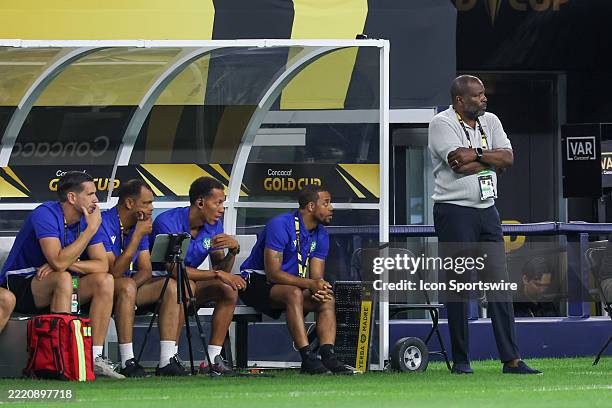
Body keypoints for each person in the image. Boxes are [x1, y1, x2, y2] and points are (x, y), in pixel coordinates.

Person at [428, 75, 540, 374]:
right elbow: (456, 164)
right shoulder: (442, 123)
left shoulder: (491, 121)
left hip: (487, 209)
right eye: (477, 96)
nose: (483, 99)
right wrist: (493, 161)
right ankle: (462, 361)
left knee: (499, 285)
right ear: (460, 101)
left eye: (483, 94)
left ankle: (511, 360)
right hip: (454, 211)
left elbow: (509, 158)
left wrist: (477, 155)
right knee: (459, 286)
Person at [0, 171, 122, 378]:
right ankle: (61, 360)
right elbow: (57, 261)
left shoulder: (90, 219)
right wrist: (88, 233)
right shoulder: (45, 213)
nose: (95, 200)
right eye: (90, 194)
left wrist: (70, 263)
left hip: (58, 283)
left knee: (105, 281)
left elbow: (102, 265)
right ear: (72, 197)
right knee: (63, 277)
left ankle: (93, 358)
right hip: (21, 283)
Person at [240, 185, 356, 375]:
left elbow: (316, 276)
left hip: (291, 284)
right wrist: (310, 284)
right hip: (255, 281)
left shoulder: (321, 233)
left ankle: (328, 356)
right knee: (293, 293)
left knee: (326, 298)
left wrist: (318, 286)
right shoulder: (280, 224)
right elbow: (273, 274)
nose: (331, 208)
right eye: (326, 203)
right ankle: (308, 358)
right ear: (311, 206)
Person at [150, 176, 244, 376]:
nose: (221, 209)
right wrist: (217, 273)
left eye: (223, 203)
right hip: (159, 284)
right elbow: (174, 270)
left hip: (189, 283)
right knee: (185, 286)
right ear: (200, 202)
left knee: (228, 289)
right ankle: (168, 359)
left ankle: (213, 358)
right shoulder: (167, 221)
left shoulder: (214, 226)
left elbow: (221, 269)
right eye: (218, 202)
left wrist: (233, 251)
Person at [100, 179, 186, 377]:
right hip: (100, 288)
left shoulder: (139, 226)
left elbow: (146, 270)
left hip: (127, 288)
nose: (151, 208)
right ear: (130, 203)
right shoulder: (105, 222)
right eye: (147, 203)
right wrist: (137, 236)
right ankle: (127, 360)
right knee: (126, 285)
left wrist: (132, 289)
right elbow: (113, 272)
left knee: (171, 286)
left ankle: (166, 361)